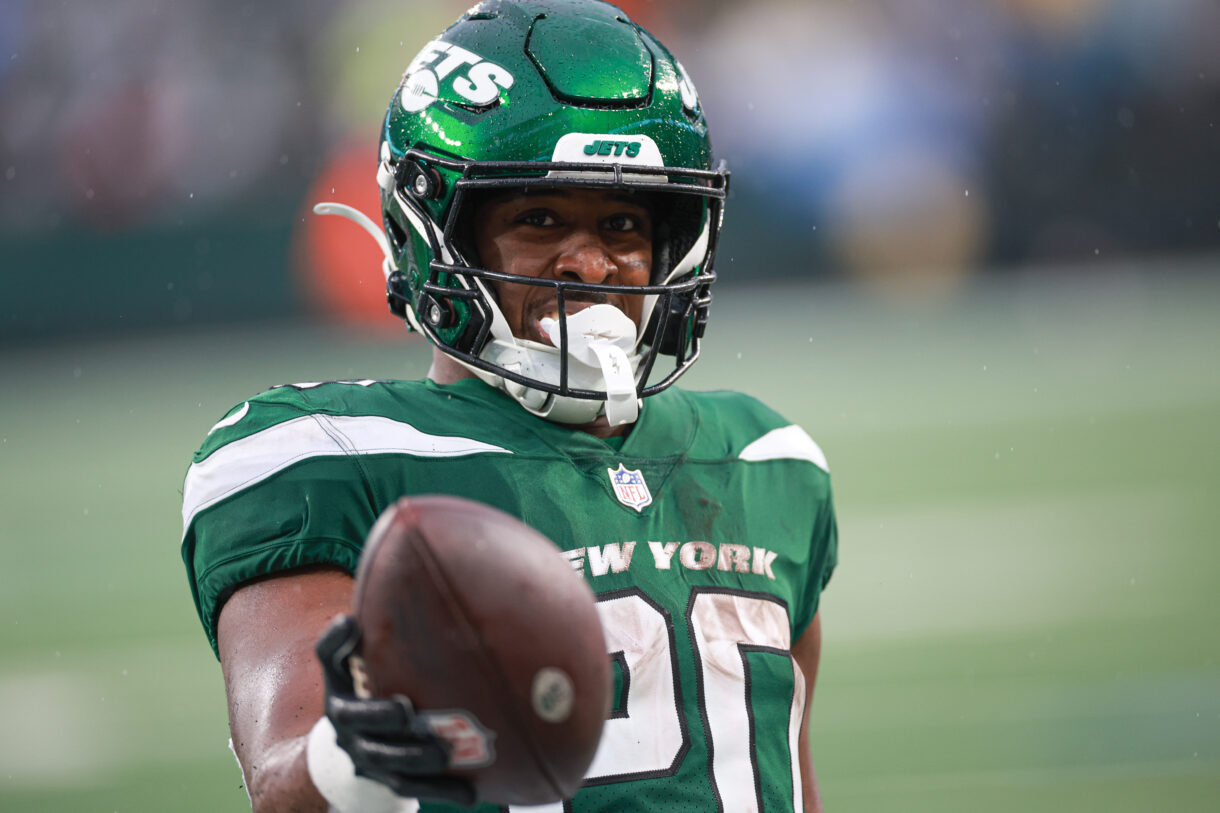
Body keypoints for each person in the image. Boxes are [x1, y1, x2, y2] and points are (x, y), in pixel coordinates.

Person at [180, 1, 838, 811]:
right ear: (435, 234)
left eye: (625, 223)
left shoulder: (767, 461)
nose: (592, 262)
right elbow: (284, 771)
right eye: (538, 217)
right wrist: (360, 757)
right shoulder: (330, 457)